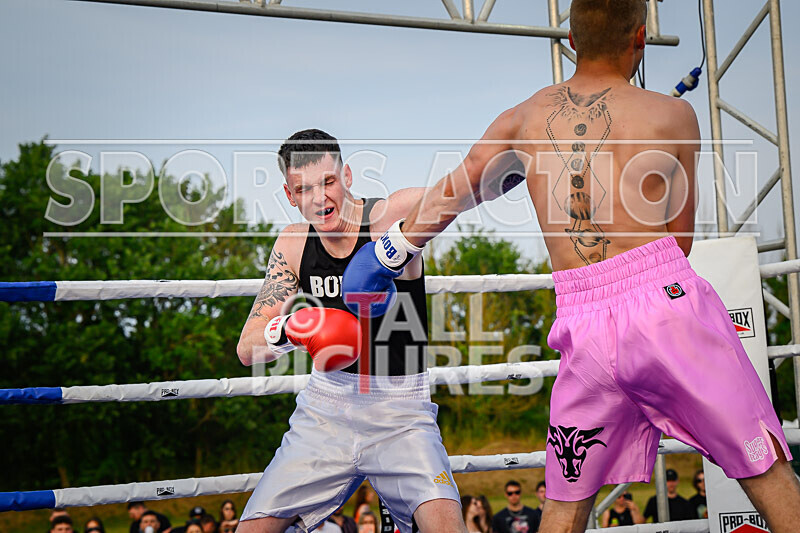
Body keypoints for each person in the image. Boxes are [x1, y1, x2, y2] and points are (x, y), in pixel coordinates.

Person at [342, 0, 800, 531]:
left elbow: (456, 193)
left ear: (572, 41)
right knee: (764, 465)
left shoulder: (521, 119)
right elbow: (680, 240)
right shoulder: (675, 115)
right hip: (664, 305)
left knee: (566, 501)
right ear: (640, 38)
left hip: (583, 325)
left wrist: (388, 250)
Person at [236, 128, 516, 533]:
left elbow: (461, 190)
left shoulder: (389, 215)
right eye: (304, 189)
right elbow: (247, 348)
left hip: (401, 410)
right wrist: (289, 331)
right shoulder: (293, 244)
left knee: (446, 527)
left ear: (346, 175)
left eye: (328, 181)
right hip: (325, 410)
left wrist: (526, 161)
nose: (320, 198)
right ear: (289, 194)